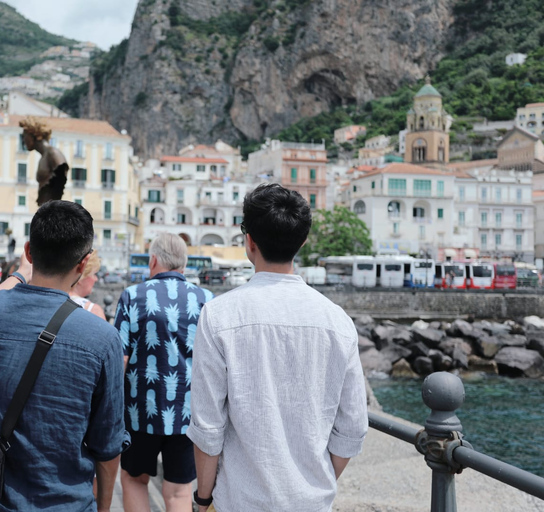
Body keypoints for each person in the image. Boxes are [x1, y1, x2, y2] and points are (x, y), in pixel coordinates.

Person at [186, 184, 368, 512]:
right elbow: (352, 428)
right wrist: (315, 481)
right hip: (311, 502)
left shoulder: (218, 315)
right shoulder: (338, 322)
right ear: (302, 241)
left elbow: (208, 427)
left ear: (249, 241)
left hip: (238, 501)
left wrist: (203, 498)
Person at [0, 200, 129, 512]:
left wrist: (23, 273)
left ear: (28, 251)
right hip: (66, 504)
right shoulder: (104, 338)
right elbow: (108, 448)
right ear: (84, 264)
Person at [115, 232, 212, 512]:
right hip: (188, 413)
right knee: (180, 491)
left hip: (138, 411)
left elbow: (120, 358)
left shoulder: (132, 296)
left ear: (153, 260)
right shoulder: (206, 298)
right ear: (184, 263)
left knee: (134, 480)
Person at [70, 249, 106, 320]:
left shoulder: (55, 301)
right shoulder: (93, 310)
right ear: (80, 276)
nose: (96, 279)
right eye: (94, 274)